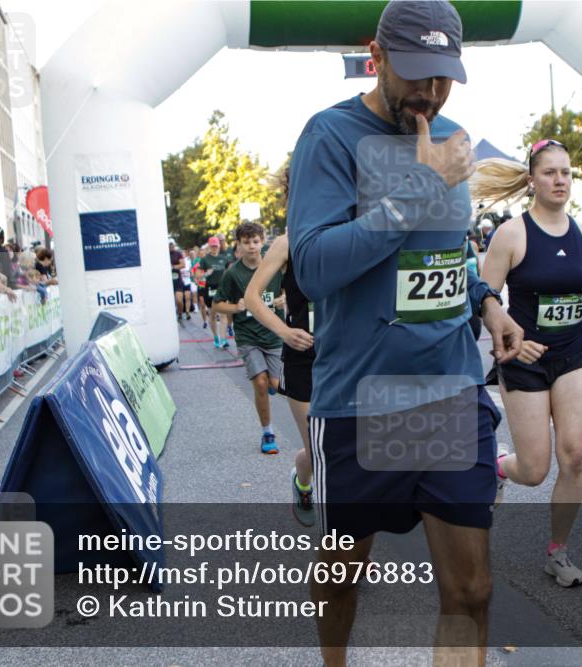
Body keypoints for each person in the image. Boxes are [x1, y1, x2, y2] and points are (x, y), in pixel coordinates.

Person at [288, 2, 523, 663]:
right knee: (342, 576)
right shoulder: (330, 136)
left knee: (471, 590)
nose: (430, 91)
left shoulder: (454, 139)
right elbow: (314, 266)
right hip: (359, 401)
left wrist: (486, 302)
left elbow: (442, 254)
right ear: (377, 56)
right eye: (416, 72)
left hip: (450, 390)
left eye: (444, 76)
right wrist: (422, 185)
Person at [475, 140, 582, 587]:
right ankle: (499, 467)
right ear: (532, 181)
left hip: (572, 355)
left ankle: (557, 552)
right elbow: (484, 298)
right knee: (534, 470)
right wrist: (511, 338)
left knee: (575, 456)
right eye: (550, 172)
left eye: (566, 172)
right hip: (524, 358)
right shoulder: (512, 234)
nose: (560, 180)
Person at [244, 232, 317, 527]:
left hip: (346, 356)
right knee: (319, 450)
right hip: (304, 357)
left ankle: (348, 537)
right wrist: (284, 332)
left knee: (343, 448)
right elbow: (252, 297)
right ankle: (303, 479)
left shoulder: (353, 232)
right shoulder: (288, 242)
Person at [214, 222, 285, 455]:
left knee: (277, 384)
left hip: (274, 334)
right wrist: (236, 307)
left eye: (256, 241)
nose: (252, 246)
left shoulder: (274, 266)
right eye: (246, 242)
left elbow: (290, 290)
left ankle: (272, 385)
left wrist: (284, 298)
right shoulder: (233, 274)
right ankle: (268, 433)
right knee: (261, 382)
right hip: (248, 336)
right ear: (239, 245)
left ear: (263, 241)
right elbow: (217, 305)